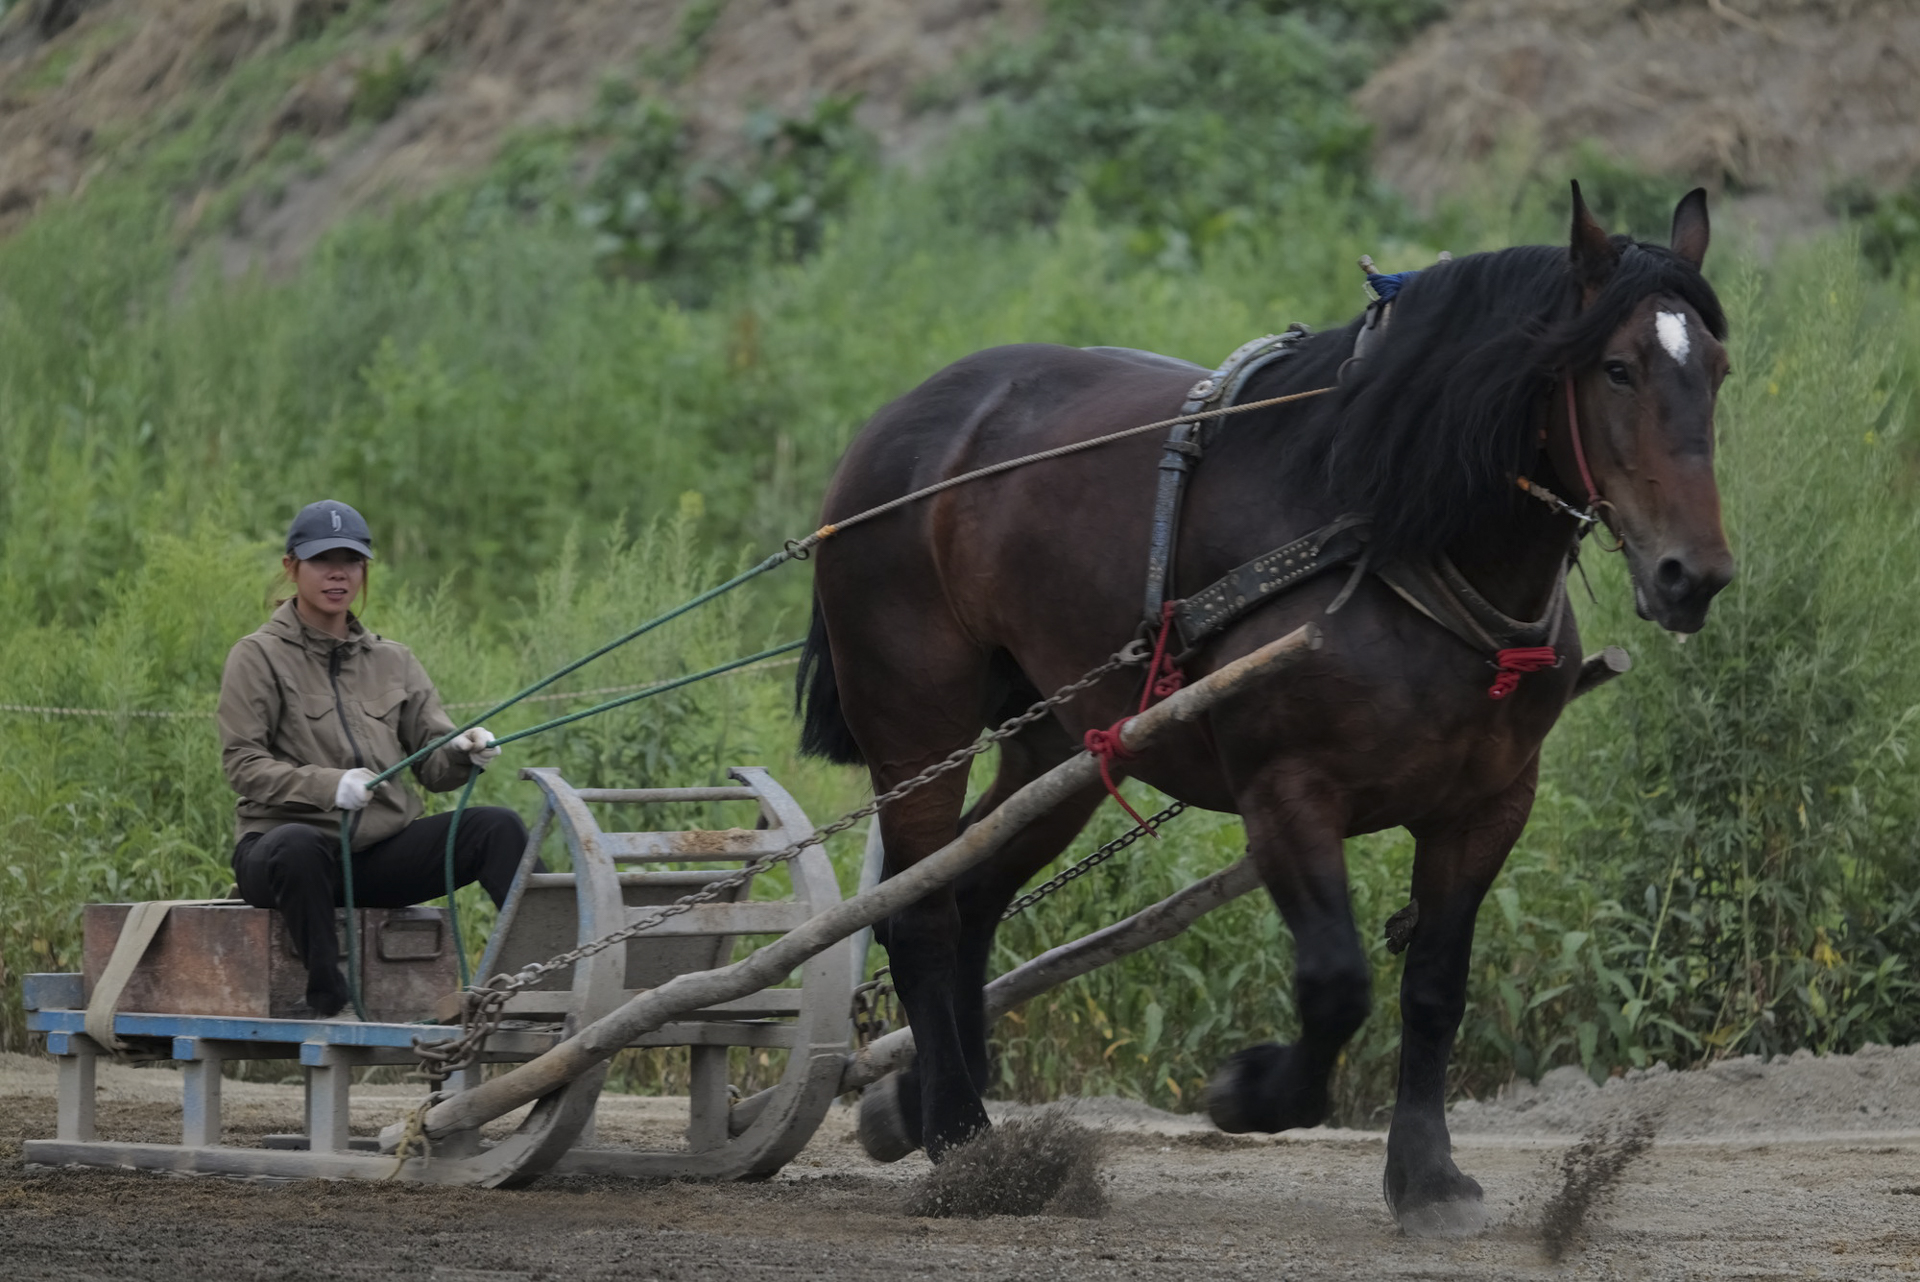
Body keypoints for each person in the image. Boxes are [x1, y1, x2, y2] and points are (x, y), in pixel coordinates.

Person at [217, 499, 528, 1018]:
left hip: (377, 856)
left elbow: (433, 762)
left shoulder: (393, 660)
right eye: (323, 560)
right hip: (284, 856)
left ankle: (552, 976)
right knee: (296, 846)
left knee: (497, 828)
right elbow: (243, 765)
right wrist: (327, 786)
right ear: (292, 567)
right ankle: (327, 999)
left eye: (352, 560)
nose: (339, 573)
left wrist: (463, 749)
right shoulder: (257, 656)